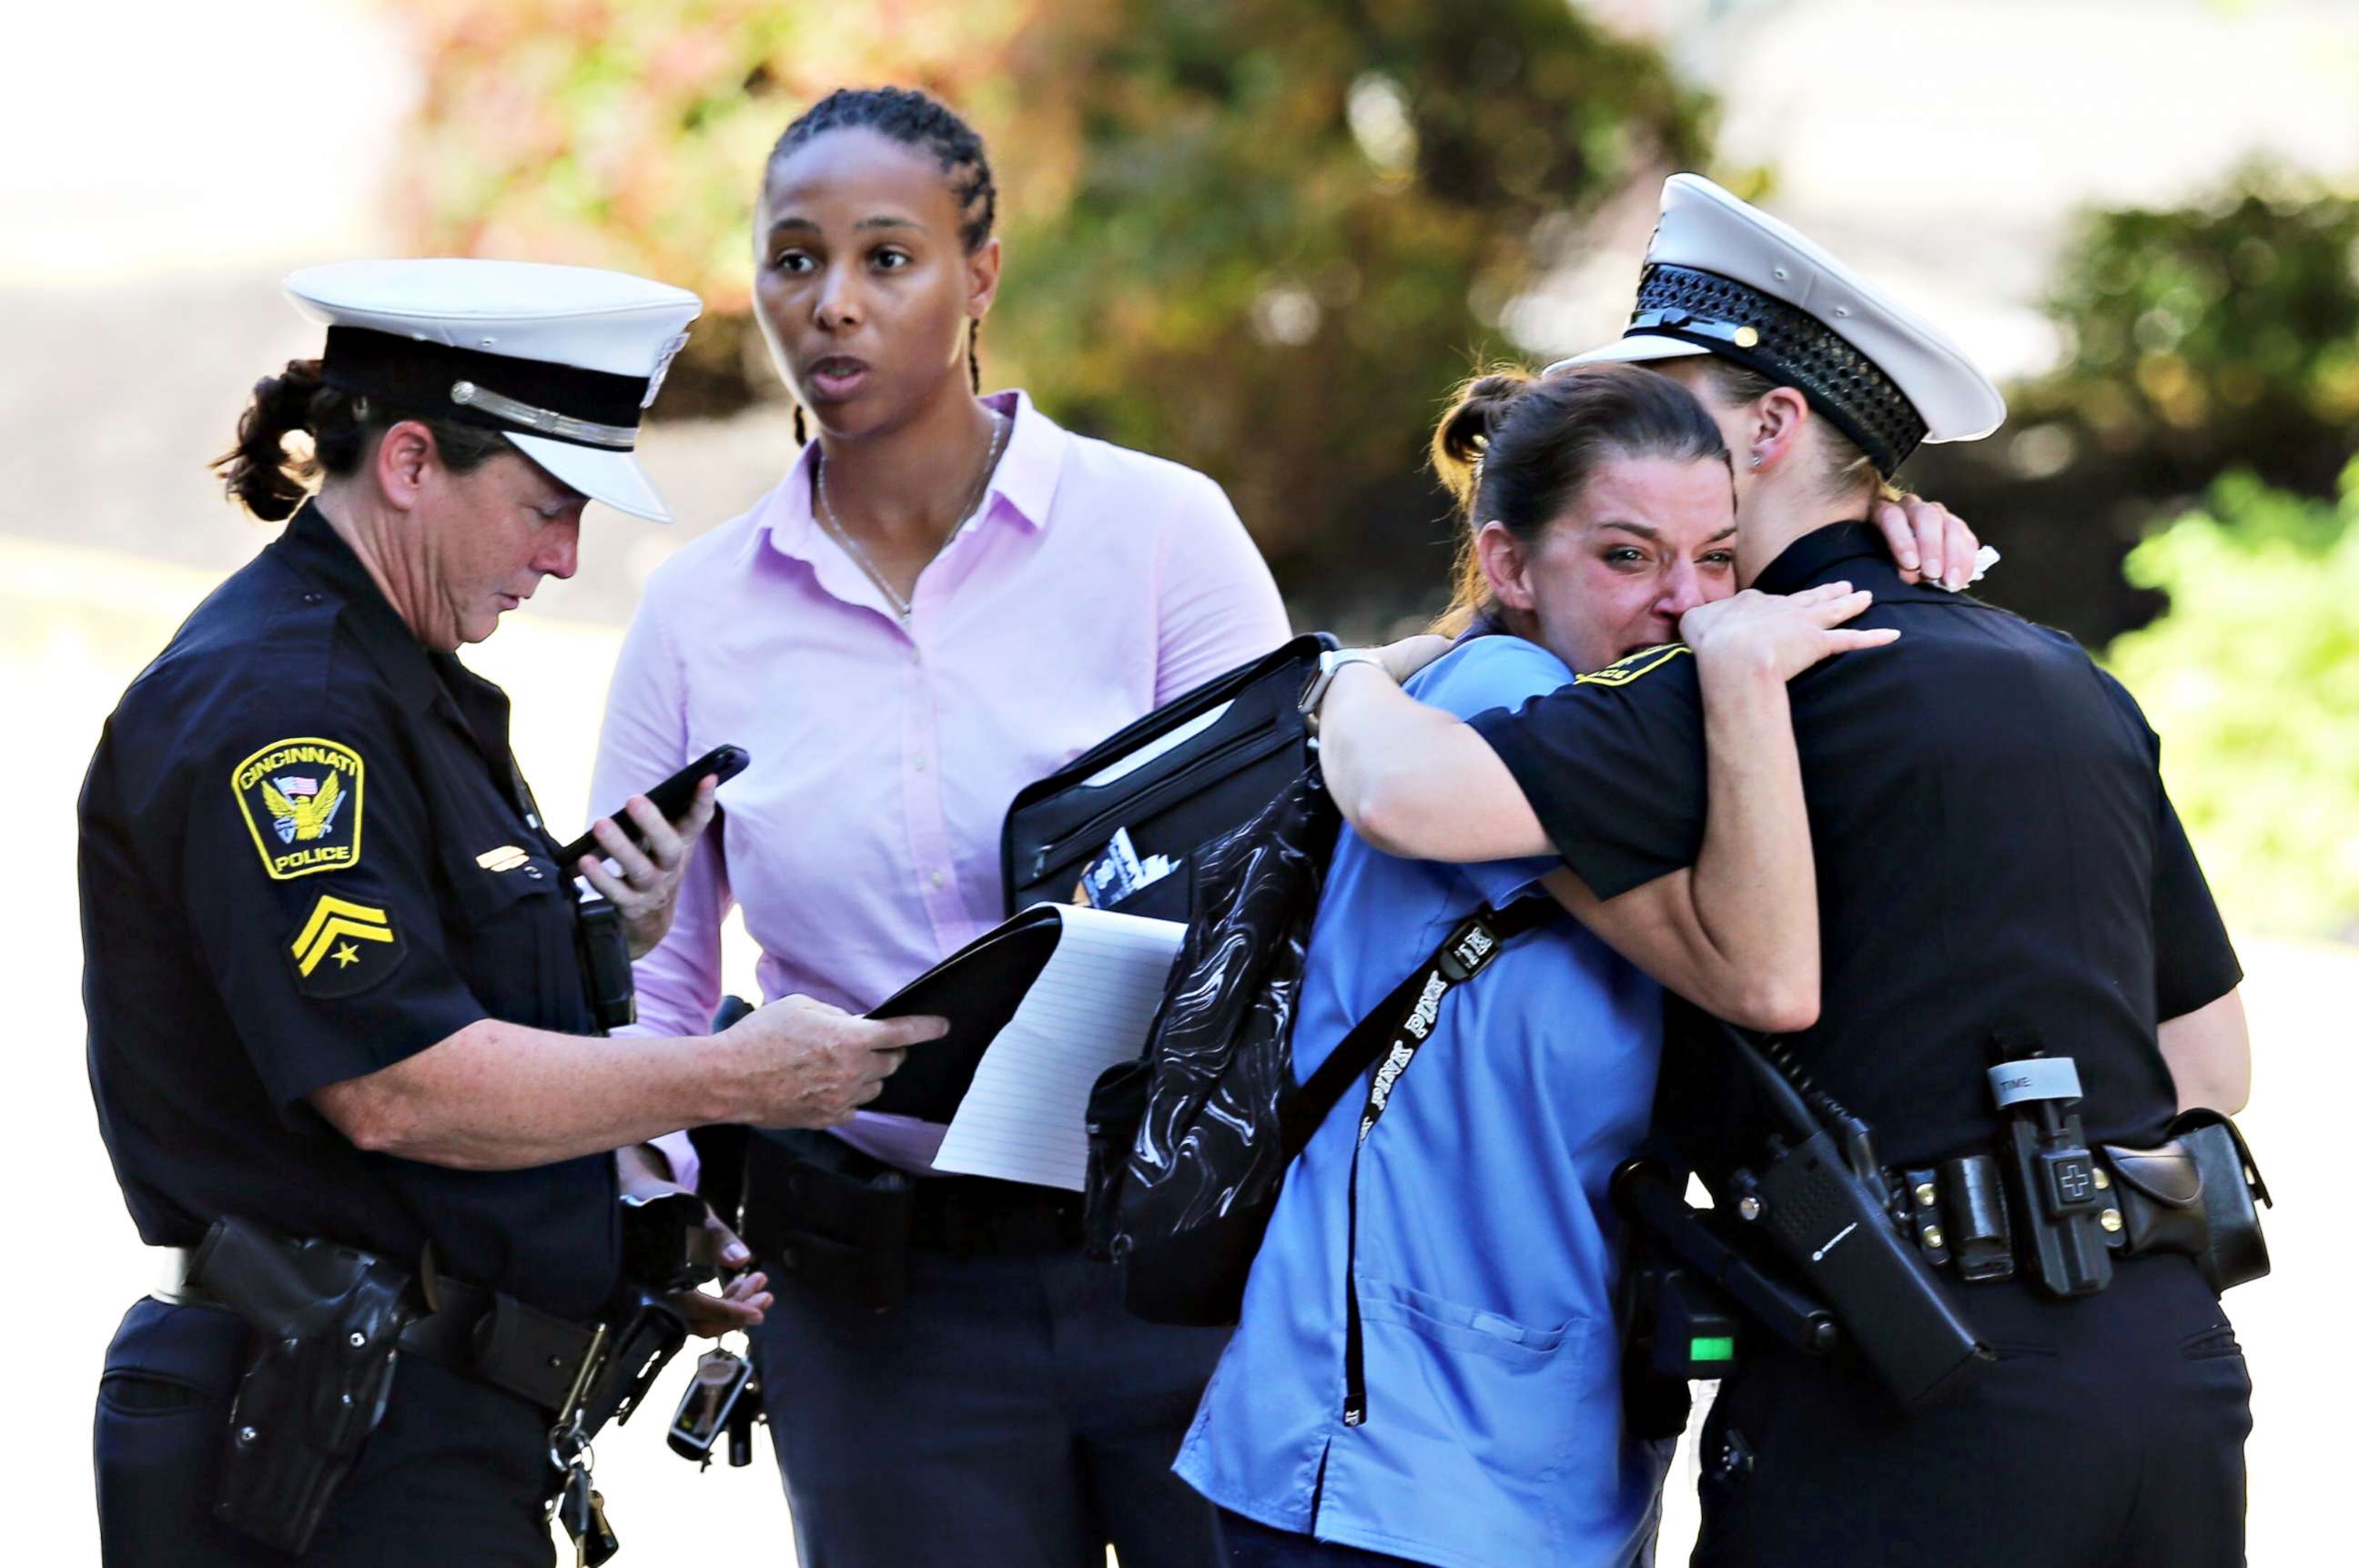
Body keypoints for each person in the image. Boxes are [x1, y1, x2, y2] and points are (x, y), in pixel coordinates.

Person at [1304, 176, 2253, 1568]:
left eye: (1670, 402)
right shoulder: (2065, 678)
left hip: (1905, 1396)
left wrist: (1339, 676)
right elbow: (2212, 1069)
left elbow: (1399, 790)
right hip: (2165, 1378)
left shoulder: (1710, 690)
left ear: (1770, 424)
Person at [82, 258, 944, 1568]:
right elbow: (398, 1089)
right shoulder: (288, 709)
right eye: (546, 508)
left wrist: (610, 978)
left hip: (406, 1427)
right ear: (414, 464)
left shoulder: (398, 675)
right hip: (317, 1448)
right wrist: (729, 1077)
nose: (564, 557)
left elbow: (434, 1007)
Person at [590, 86, 1291, 1568]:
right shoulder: (697, 612)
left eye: (886, 258)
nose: (831, 305)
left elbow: (1281, 890)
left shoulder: (1162, 536)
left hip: (1180, 1272)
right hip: (874, 1312)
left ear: (981, 274)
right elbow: (643, 967)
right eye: (794, 260)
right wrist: (664, 1211)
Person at [1178, 362, 1917, 1568]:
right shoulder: (1514, 701)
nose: (1687, 605)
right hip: (1392, 1468)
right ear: (1512, 566)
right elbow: (1770, 978)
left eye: (1719, 559)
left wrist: (1885, 525)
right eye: (1628, 559)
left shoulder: (1586, 712)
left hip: (1522, 1455)